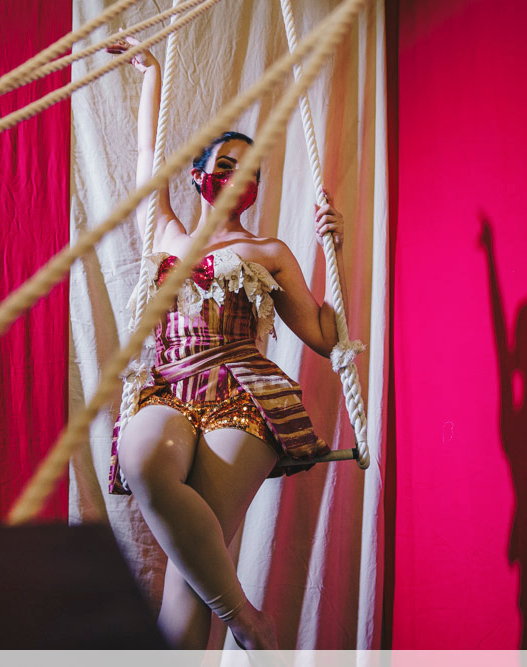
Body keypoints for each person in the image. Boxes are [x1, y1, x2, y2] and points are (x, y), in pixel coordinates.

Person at [105, 37, 349, 650]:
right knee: (143, 462)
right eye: (227, 165)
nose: (240, 177)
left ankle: (220, 633)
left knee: (191, 571)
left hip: (244, 390)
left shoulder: (270, 252)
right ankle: (248, 620)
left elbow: (324, 338)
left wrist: (334, 251)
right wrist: (151, 72)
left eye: (252, 171)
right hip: (170, 386)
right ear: (198, 176)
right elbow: (148, 160)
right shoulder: (167, 233)